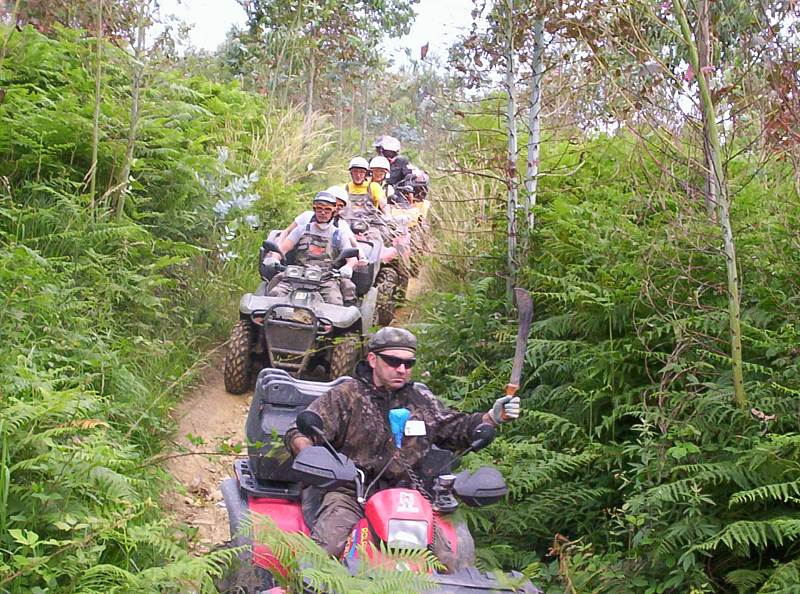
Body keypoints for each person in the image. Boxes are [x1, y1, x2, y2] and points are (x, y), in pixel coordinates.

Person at [284, 327, 522, 560]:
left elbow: (456, 428)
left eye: (408, 364)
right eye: (393, 361)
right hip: (352, 493)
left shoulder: (420, 400)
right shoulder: (345, 395)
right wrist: (312, 456)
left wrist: (491, 418)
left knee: (448, 559)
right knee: (325, 550)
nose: (401, 369)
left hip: (408, 499)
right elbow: (299, 432)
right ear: (373, 359)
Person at [263, 191, 358, 306]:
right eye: (319, 209)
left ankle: (332, 318)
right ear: (314, 209)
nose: (323, 213)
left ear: (333, 211)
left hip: (325, 279)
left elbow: (351, 258)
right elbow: (283, 249)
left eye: (327, 210)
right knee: (274, 295)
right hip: (296, 276)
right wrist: (274, 258)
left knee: (335, 303)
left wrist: (348, 267)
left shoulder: (339, 235)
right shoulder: (301, 230)